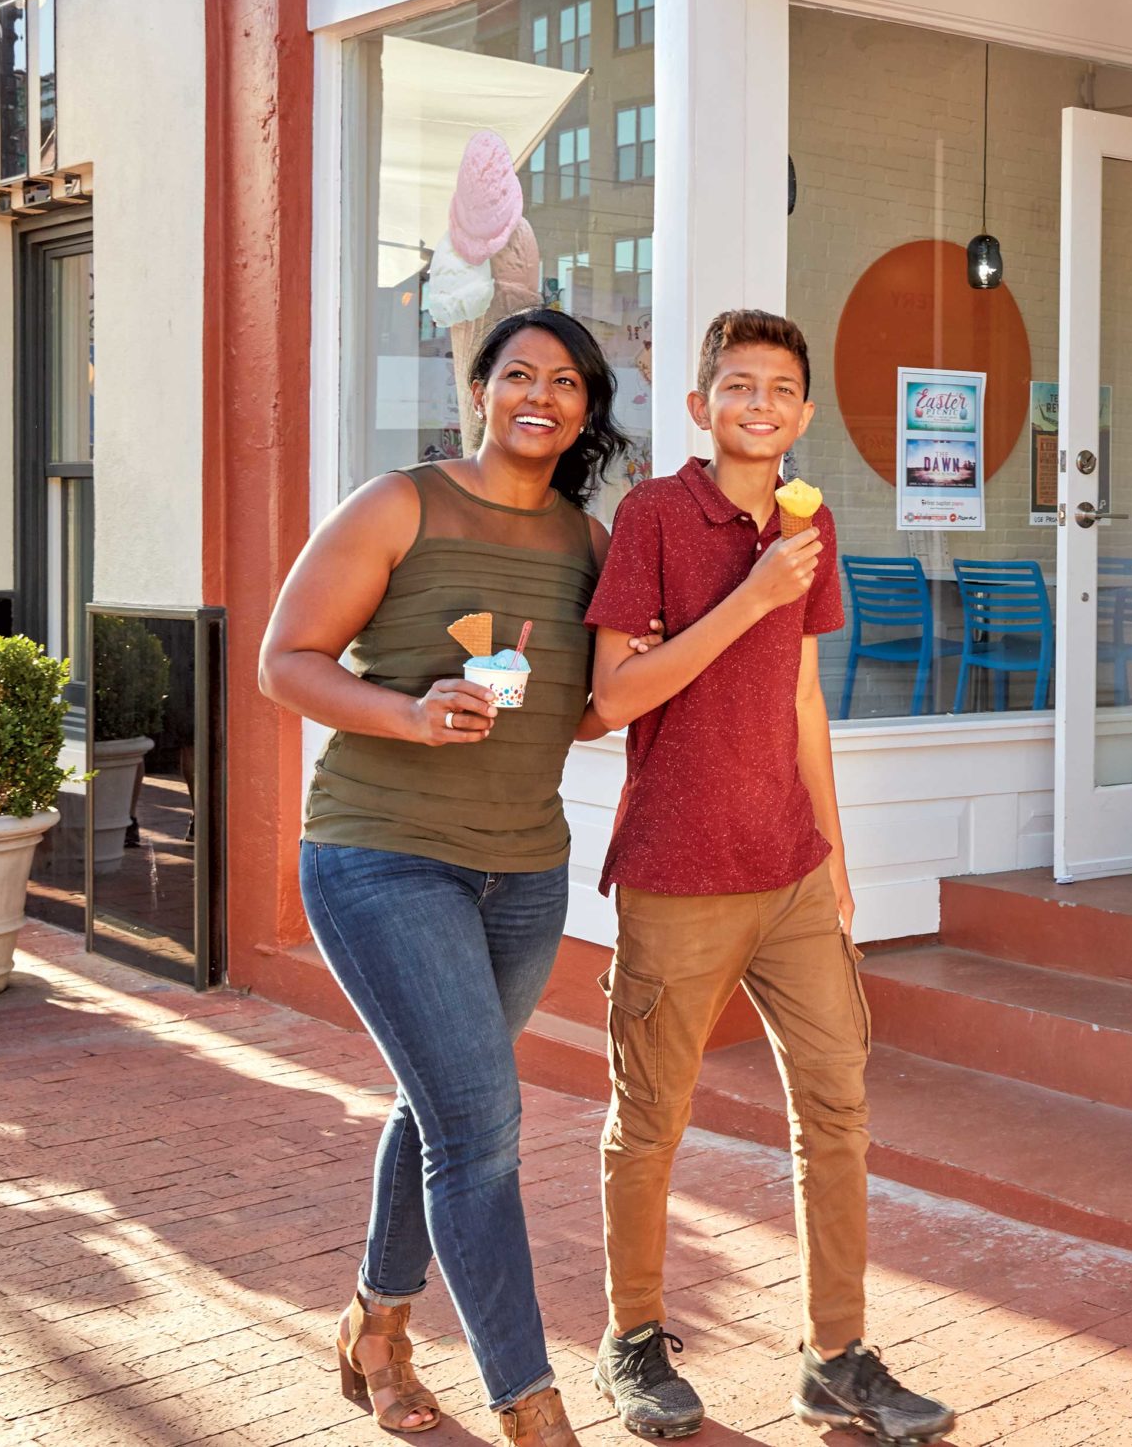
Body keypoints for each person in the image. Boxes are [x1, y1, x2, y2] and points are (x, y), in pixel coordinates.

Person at [261, 308, 654, 1447]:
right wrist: (409, 712)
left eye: (569, 382)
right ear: (479, 388)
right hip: (380, 851)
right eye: (520, 374)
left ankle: (375, 1330)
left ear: (588, 408)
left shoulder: (588, 545)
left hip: (525, 872)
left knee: (440, 1109)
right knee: (481, 1127)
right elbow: (284, 662)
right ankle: (531, 1407)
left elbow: (580, 715)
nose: (545, 395)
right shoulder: (401, 504)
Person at [582, 310, 954, 1443]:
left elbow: (799, 695)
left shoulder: (813, 523)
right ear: (700, 408)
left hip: (788, 870)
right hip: (677, 871)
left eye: (781, 387)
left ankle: (834, 1356)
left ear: (801, 414)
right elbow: (612, 700)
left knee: (837, 1108)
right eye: (736, 383)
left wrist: (834, 855)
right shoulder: (653, 514)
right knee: (652, 1117)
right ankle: (631, 1339)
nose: (760, 401)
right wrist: (746, 593)